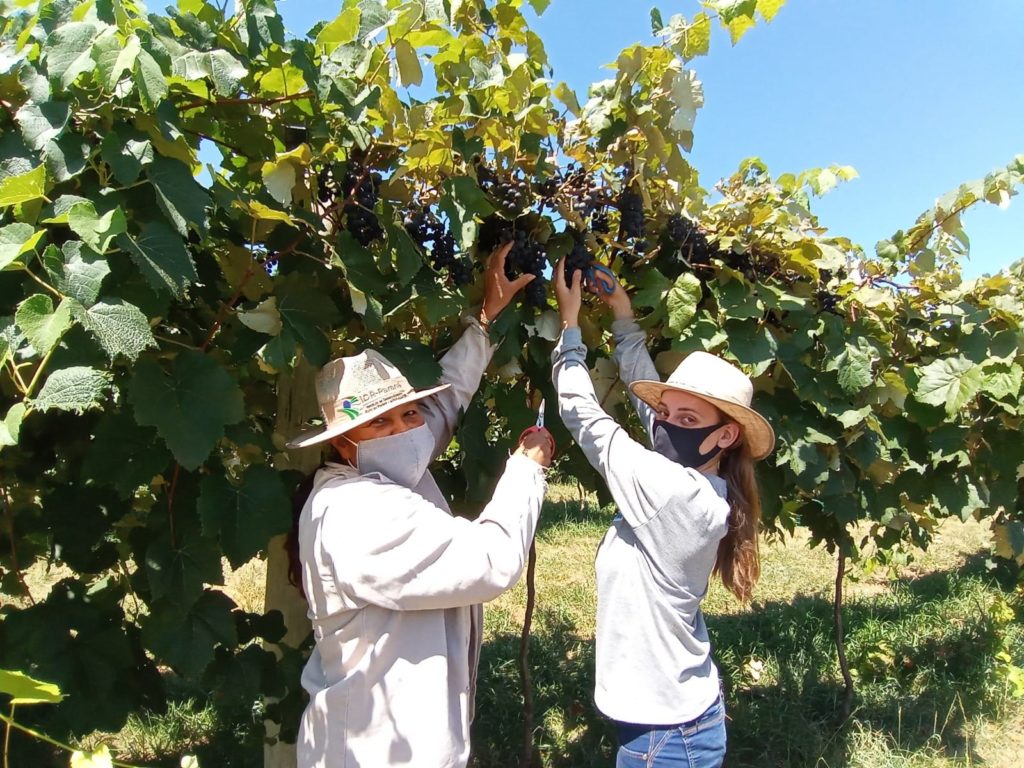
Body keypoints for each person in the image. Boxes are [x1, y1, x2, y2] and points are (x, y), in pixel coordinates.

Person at [285, 243, 555, 768]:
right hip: (372, 754)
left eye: (405, 414)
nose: (405, 429)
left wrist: (484, 320)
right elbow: (491, 560)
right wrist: (527, 469)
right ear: (344, 442)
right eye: (380, 422)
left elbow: (445, 402)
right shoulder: (356, 514)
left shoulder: (386, 464)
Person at [551, 259, 775, 768]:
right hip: (670, 720)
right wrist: (622, 314)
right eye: (668, 414)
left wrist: (569, 329)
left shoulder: (675, 494)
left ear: (725, 435)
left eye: (688, 419)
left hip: (669, 737)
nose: (668, 425)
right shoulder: (697, 473)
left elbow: (584, 417)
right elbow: (652, 401)